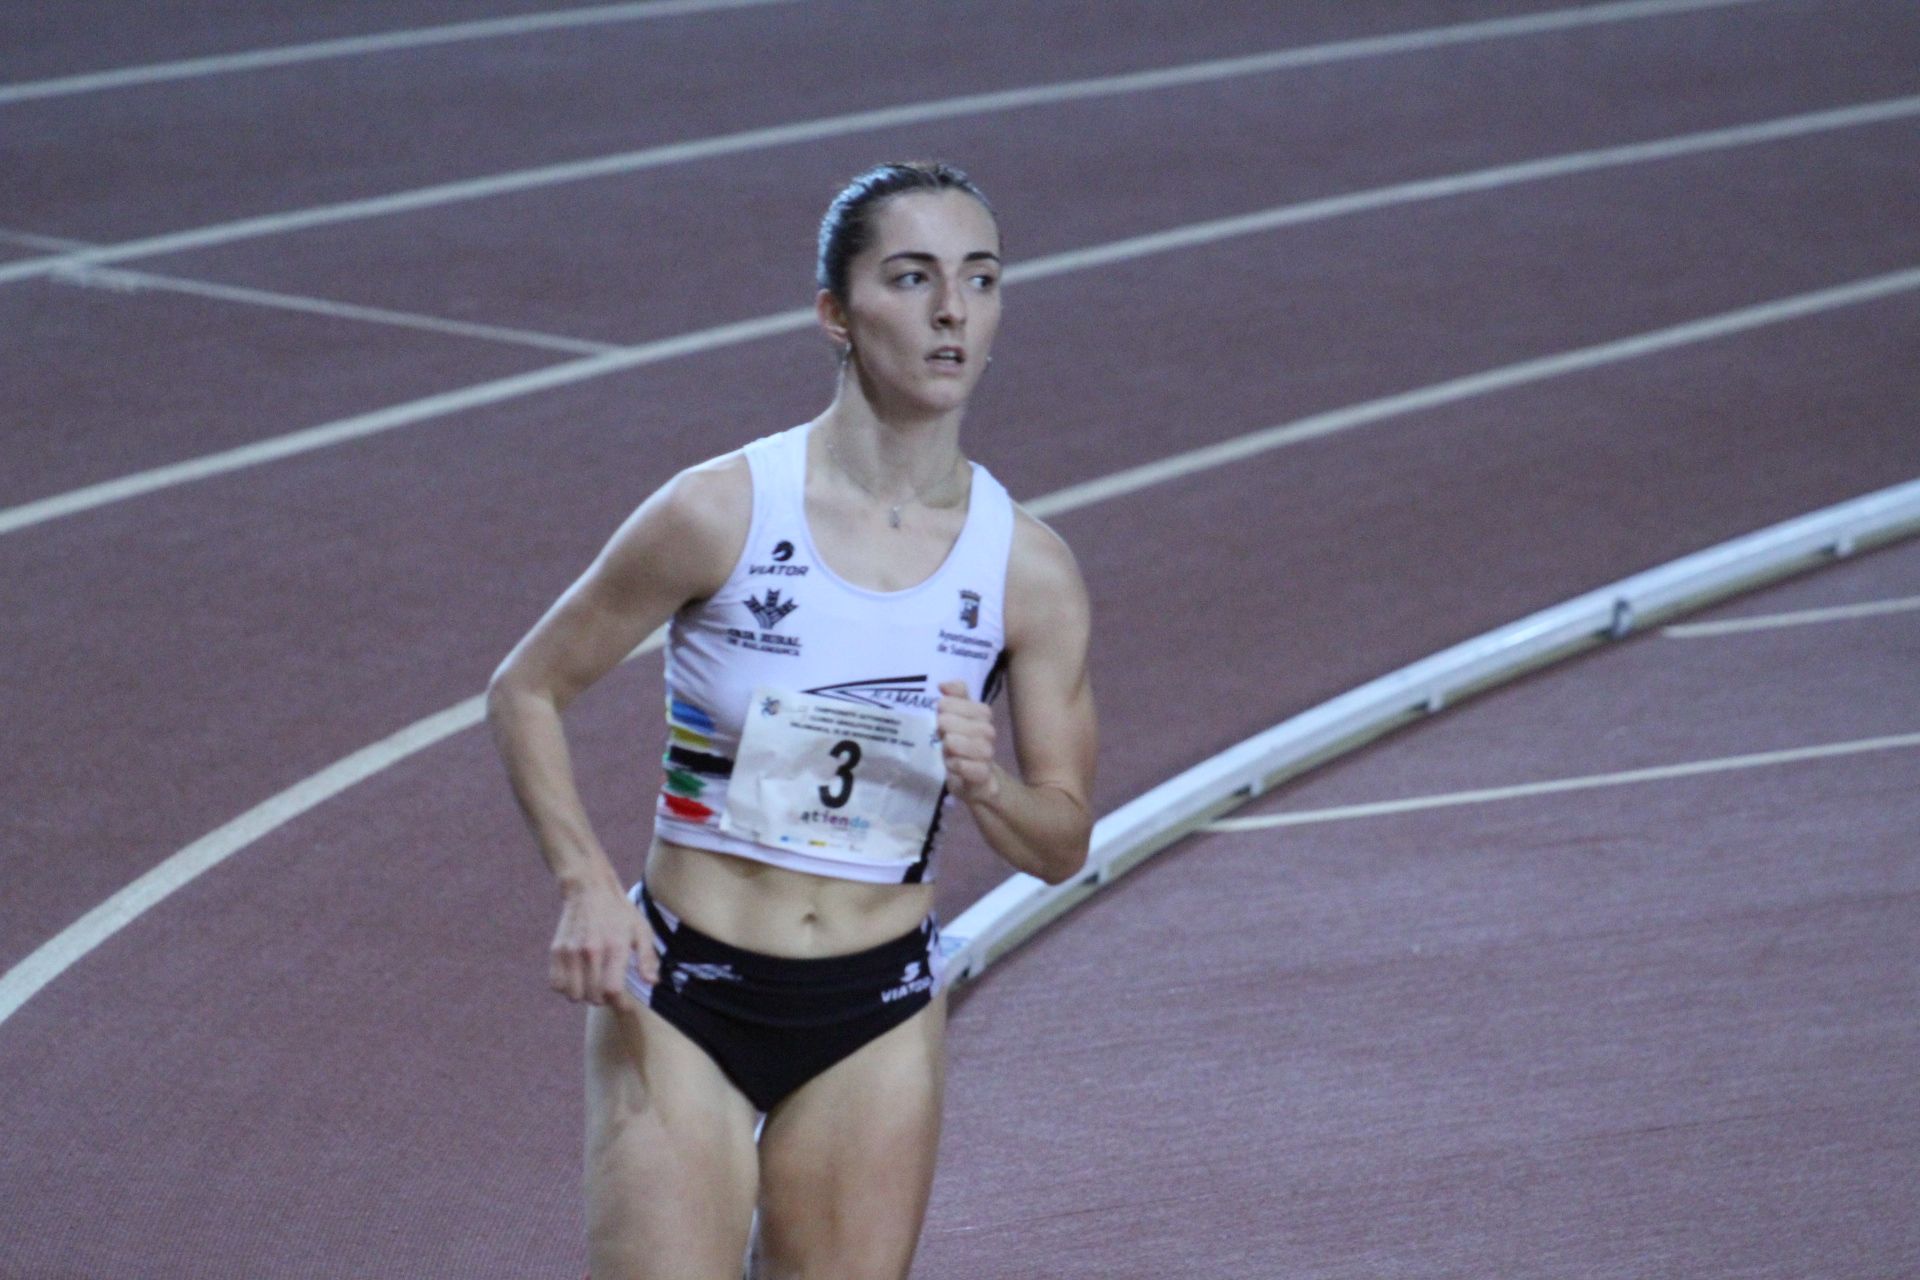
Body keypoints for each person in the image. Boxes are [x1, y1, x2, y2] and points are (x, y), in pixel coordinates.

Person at [487, 160, 1098, 1280]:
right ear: (835, 313)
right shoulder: (719, 508)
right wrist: (582, 878)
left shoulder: (1031, 570)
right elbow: (526, 685)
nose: (953, 310)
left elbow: (1063, 843)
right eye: (913, 279)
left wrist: (991, 784)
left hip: (874, 1010)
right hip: (682, 993)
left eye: (982, 279)